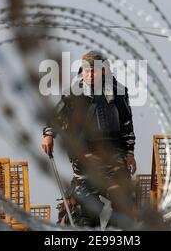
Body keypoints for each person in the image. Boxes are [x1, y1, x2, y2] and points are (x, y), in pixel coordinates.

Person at [41, 51, 137, 228]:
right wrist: (48, 135)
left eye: (93, 70)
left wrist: (130, 152)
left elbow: (126, 123)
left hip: (113, 156)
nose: (89, 74)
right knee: (85, 211)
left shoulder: (118, 93)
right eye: (85, 70)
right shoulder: (73, 94)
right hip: (84, 158)